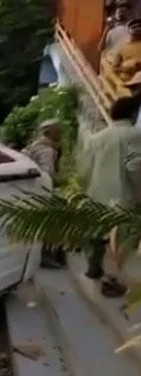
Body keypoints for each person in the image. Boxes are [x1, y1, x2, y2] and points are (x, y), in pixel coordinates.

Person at [79, 96, 141, 297]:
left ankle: (93, 268)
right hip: (123, 196)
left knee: (95, 235)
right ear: (133, 114)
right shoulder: (135, 135)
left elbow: (84, 170)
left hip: (95, 195)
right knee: (120, 240)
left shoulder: (96, 138)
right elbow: (134, 166)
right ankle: (112, 280)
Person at [22, 120, 66, 269]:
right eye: (57, 130)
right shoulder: (47, 150)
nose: (60, 133)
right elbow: (48, 174)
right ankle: (45, 255)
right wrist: (60, 181)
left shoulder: (34, 145)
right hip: (41, 191)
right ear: (50, 133)